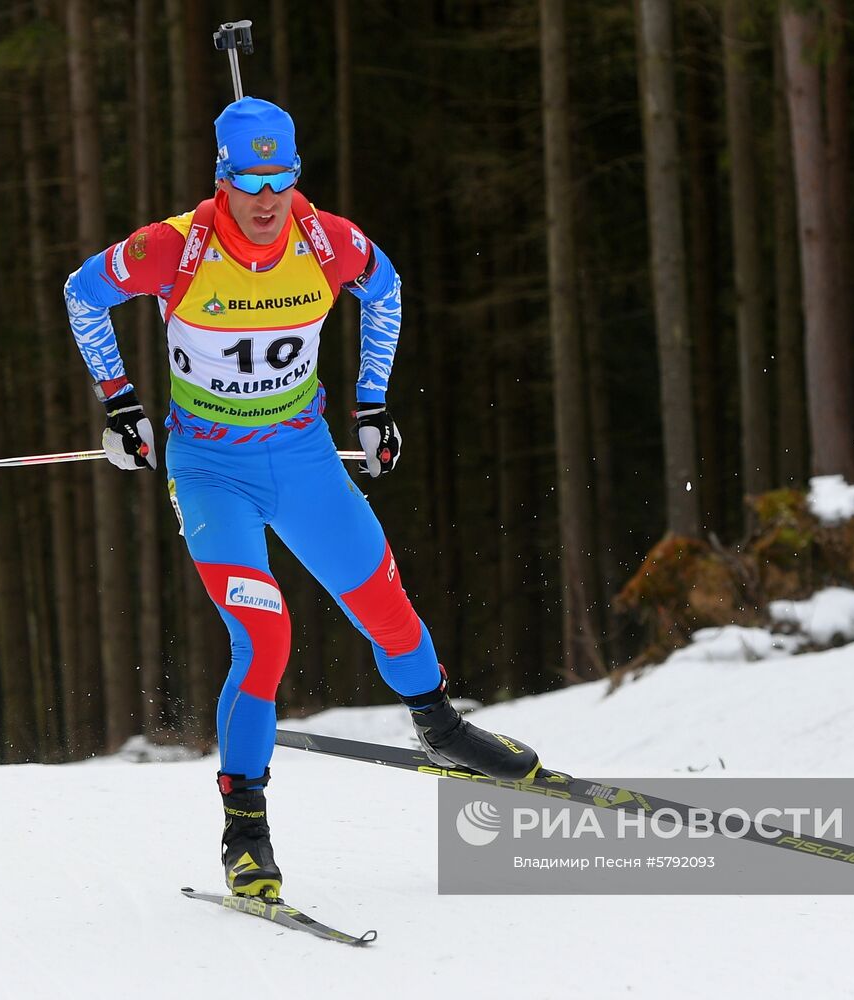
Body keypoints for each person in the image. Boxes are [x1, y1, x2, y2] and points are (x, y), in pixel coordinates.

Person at [63, 97, 540, 900]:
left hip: (307, 459)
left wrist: (374, 404)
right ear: (222, 177)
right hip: (212, 473)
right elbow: (83, 293)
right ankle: (244, 829)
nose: (265, 199)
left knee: (385, 605)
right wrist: (120, 402)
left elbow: (385, 292)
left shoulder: (327, 241)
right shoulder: (174, 248)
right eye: (249, 180)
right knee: (264, 635)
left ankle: (442, 729)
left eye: (280, 178)